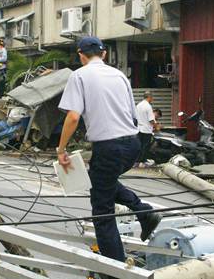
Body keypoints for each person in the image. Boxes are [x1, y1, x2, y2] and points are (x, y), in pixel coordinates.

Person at [56, 36, 161, 265]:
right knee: (102, 181)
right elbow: (131, 113)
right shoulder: (120, 75)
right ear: (104, 54)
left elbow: (73, 116)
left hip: (108, 147)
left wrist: (61, 149)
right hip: (131, 144)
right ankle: (144, 212)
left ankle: (114, 267)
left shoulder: (79, 75)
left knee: (102, 211)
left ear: (80, 55)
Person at [135, 91, 155, 167]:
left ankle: (137, 161)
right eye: (152, 97)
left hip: (139, 128)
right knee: (145, 146)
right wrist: (156, 126)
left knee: (140, 145)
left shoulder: (138, 105)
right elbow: (151, 120)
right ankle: (143, 161)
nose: (152, 99)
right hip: (146, 129)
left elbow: (136, 117)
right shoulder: (148, 106)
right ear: (149, 97)